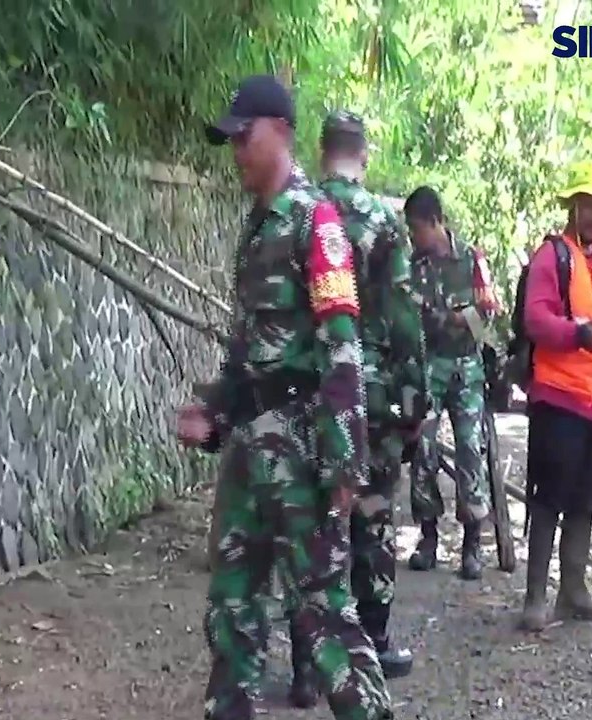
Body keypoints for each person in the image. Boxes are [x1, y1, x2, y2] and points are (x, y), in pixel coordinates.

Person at [176, 74, 393, 720]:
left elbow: (341, 345)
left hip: (301, 448)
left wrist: (345, 461)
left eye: (244, 136)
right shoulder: (258, 227)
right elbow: (250, 349)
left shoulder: (314, 222)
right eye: (232, 140)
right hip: (250, 450)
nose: (236, 150)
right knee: (232, 607)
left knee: (324, 616)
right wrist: (217, 412)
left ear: (281, 132)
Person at [281, 110, 425, 707]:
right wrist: (414, 403)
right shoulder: (384, 223)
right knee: (371, 518)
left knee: (310, 525)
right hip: (373, 396)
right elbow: (404, 320)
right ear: (364, 155)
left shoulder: (299, 214)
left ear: (321, 152)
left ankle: (306, 667)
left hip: (309, 393)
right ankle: (374, 645)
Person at [517, 161, 592, 630]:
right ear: (572, 207)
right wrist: (577, 334)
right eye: (589, 206)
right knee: (549, 498)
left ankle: (573, 591)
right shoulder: (552, 256)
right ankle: (534, 598)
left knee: (586, 500)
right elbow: (535, 319)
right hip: (557, 397)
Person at [404, 186, 500, 581]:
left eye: (416, 229)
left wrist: (463, 319)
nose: (413, 237)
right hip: (429, 367)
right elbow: (408, 315)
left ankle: (472, 542)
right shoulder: (414, 267)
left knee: (470, 449)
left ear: (435, 222)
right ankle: (428, 536)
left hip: (466, 368)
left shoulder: (472, 261)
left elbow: (489, 312)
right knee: (422, 448)